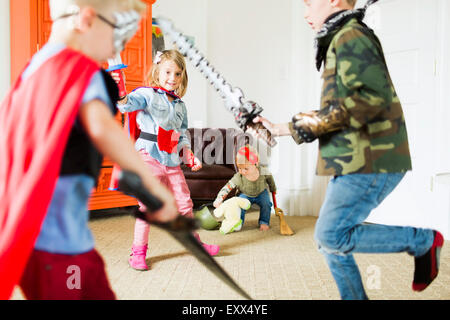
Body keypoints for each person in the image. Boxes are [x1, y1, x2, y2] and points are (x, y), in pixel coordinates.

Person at [253, 0, 443, 299]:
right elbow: (341, 107)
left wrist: (296, 126)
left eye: (309, 3)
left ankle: (422, 242)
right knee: (331, 240)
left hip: (370, 157)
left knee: (330, 235)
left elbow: (367, 101)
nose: (305, 13)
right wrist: (280, 128)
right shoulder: (341, 37)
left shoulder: (350, 36)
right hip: (355, 159)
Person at [0, 0, 180, 300]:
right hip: (62, 242)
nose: (114, 52)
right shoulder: (79, 69)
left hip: (30, 231)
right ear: (86, 21)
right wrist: (153, 187)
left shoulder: (33, 69)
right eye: (116, 37)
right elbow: (102, 128)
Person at [114, 49, 220, 271]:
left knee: (185, 202)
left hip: (171, 160)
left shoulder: (180, 105)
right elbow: (125, 105)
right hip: (148, 157)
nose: (173, 78)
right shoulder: (147, 94)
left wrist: (188, 154)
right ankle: (138, 253)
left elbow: (181, 135)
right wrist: (120, 89)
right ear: (157, 71)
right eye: (168, 72)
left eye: (178, 73)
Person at [213, 145, 276, 232]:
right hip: (245, 194)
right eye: (239, 168)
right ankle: (238, 223)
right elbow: (227, 187)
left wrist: (273, 188)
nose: (242, 171)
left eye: (246, 168)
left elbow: (270, 178)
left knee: (266, 203)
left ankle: (264, 222)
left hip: (261, 192)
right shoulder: (239, 177)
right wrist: (219, 198)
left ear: (256, 164)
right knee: (240, 206)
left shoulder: (263, 171)